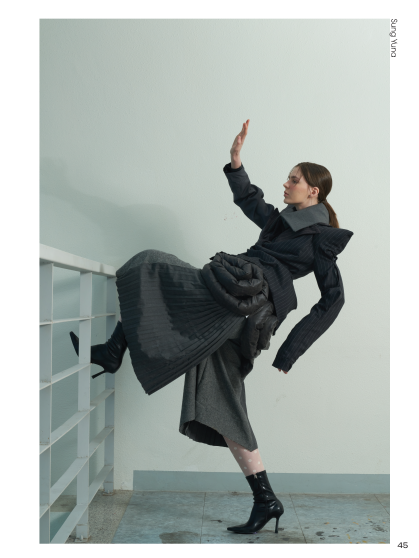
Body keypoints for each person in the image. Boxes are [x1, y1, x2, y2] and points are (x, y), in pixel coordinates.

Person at [69, 120, 354, 535]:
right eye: (288, 177)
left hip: (245, 306)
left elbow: (334, 298)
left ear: (314, 190)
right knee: (220, 399)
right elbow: (250, 200)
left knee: (152, 267)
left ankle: (115, 350)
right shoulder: (281, 220)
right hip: (235, 301)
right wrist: (236, 162)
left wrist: (290, 351)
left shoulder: (322, 239)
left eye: (293, 179)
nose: (286, 183)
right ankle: (266, 500)